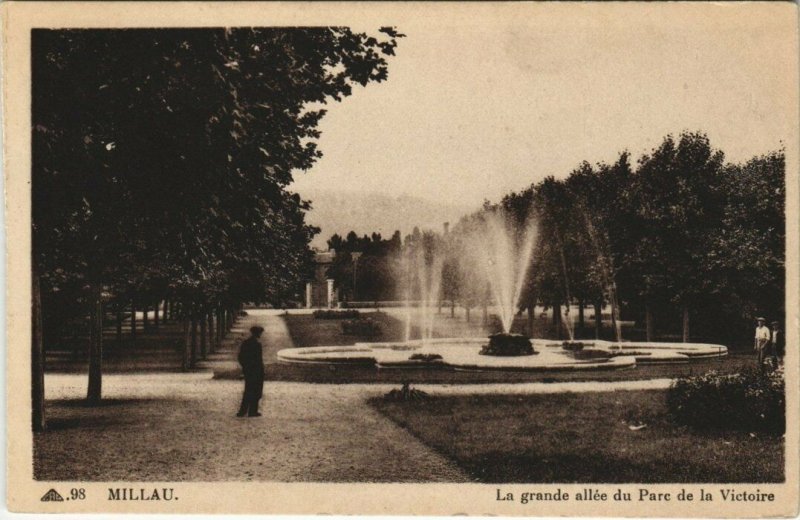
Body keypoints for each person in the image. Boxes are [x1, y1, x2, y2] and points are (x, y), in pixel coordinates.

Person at [237, 325, 265, 417]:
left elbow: (240, 357)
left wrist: (245, 367)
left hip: (248, 370)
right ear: (258, 333)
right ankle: (252, 411)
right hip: (256, 370)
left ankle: (243, 411)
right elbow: (259, 360)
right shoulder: (257, 345)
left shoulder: (246, 343)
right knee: (256, 390)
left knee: (248, 390)